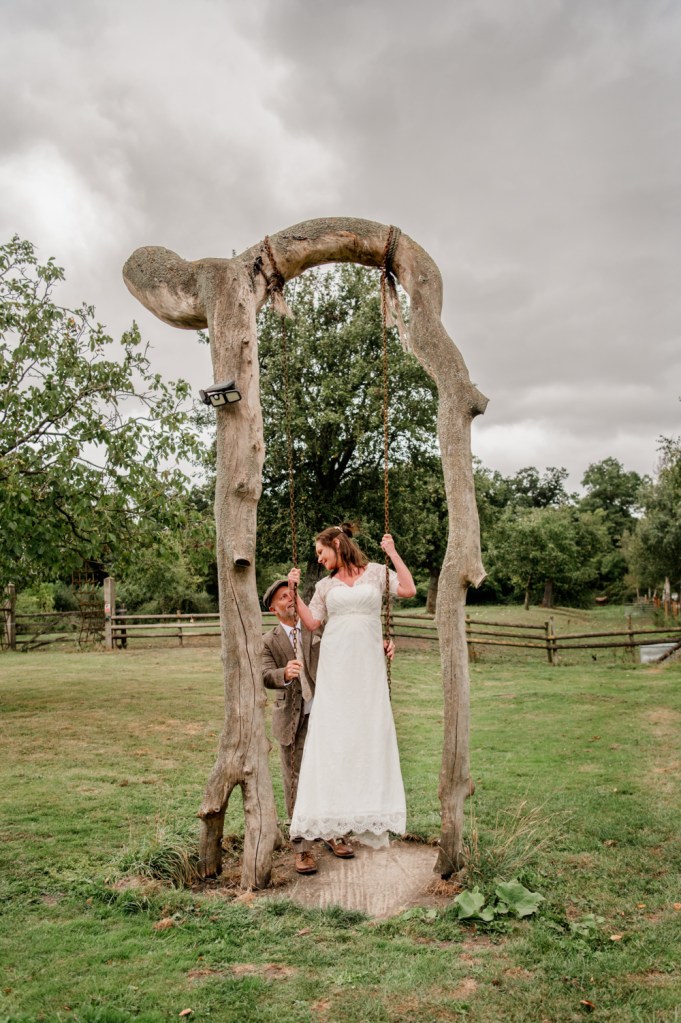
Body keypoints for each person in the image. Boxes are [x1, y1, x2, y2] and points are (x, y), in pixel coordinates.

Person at [287, 524, 416, 852]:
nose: (319, 559)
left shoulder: (375, 572)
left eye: (321, 551)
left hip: (367, 664)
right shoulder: (324, 586)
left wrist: (392, 552)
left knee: (368, 727)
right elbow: (313, 622)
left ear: (336, 544)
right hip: (336, 663)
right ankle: (332, 809)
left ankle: (370, 805)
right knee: (336, 729)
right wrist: (294, 590)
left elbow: (408, 589)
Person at [261, 578, 354, 875]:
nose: (290, 599)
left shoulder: (313, 628)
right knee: (295, 783)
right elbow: (263, 675)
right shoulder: (269, 640)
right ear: (274, 609)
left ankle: (333, 832)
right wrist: (283, 673)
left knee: (331, 775)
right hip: (292, 720)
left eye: (292, 594)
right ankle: (302, 848)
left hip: (324, 715)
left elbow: (343, 646)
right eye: (284, 597)